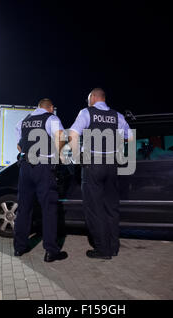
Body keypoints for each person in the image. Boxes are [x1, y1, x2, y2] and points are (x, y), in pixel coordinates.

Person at [68, 88, 131, 259]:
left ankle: (103, 250)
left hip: (93, 164)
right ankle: (114, 247)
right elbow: (129, 137)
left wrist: (76, 158)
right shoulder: (117, 115)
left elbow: (73, 134)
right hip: (112, 165)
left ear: (95, 98)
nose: (88, 102)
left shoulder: (87, 113)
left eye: (89, 99)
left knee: (95, 209)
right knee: (111, 208)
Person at [14, 98, 68, 262]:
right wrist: (57, 155)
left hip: (25, 167)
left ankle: (19, 248)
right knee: (49, 208)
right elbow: (61, 137)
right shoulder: (51, 118)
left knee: (24, 208)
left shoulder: (24, 121)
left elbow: (19, 145)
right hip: (43, 167)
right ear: (50, 108)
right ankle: (51, 251)